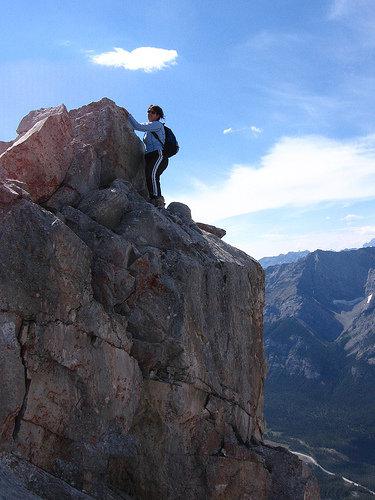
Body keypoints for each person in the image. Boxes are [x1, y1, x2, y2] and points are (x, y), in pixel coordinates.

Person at [125, 105, 168, 208]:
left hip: (159, 155)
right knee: (150, 176)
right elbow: (138, 127)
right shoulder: (148, 128)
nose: (149, 114)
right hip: (149, 156)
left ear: (158, 115)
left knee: (152, 175)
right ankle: (153, 199)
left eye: (152, 112)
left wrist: (128, 115)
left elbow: (138, 126)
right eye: (148, 111)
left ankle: (158, 201)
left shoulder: (157, 125)